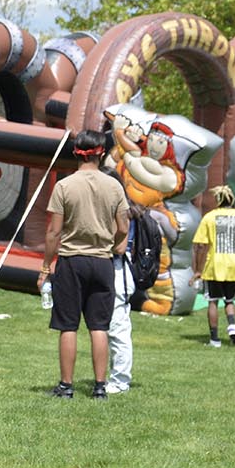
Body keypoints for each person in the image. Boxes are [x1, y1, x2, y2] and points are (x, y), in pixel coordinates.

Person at [38, 128, 130, 399]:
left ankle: (66, 386)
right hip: (102, 263)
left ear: (76, 153)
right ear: (101, 153)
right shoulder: (114, 185)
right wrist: (111, 245)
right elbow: (123, 226)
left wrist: (45, 267)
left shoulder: (64, 186)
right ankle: (100, 387)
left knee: (68, 325)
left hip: (71, 262)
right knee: (99, 326)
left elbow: (54, 232)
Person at [191, 185, 235, 347]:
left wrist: (198, 270)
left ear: (218, 200)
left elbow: (200, 245)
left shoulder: (210, 217)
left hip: (214, 267)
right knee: (230, 300)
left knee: (213, 301)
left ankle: (214, 339)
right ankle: (232, 326)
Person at [105, 203, 144, 393]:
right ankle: (117, 376)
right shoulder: (129, 209)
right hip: (121, 272)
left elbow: (119, 247)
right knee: (114, 326)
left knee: (117, 327)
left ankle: (120, 380)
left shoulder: (120, 212)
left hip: (119, 270)